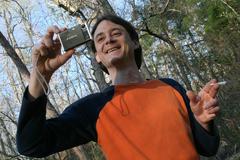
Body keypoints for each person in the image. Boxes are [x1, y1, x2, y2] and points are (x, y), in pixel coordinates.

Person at [17, 14, 220, 160]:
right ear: (97, 56)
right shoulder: (93, 108)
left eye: (116, 33)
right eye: (100, 38)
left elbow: (208, 147)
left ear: (134, 43)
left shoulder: (170, 86)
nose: (109, 40)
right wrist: (40, 75)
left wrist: (202, 122)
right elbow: (30, 144)